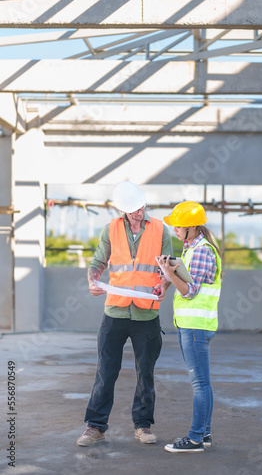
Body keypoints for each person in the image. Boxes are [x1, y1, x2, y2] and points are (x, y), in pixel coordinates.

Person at [77, 181, 172, 447]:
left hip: (147, 314)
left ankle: (143, 426)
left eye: (141, 208)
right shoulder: (110, 229)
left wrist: (163, 285)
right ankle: (95, 426)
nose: (138, 214)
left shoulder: (161, 229)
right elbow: (98, 262)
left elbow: (167, 268)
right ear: (123, 211)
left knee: (146, 373)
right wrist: (92, 280)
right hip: (115, 311)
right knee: (106, 371)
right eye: (132, 211)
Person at [157, 201, 222, 453]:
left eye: (179, 226)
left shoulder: (202, 251)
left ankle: (195, 439)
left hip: (196, 327)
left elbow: (189, 291)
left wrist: (167, 272)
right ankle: (204, 435)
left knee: (200, 384)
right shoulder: (191, 248)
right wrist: (169, 274)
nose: (175, 230)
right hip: (191, 325)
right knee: (203, 383)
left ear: (193, 227)